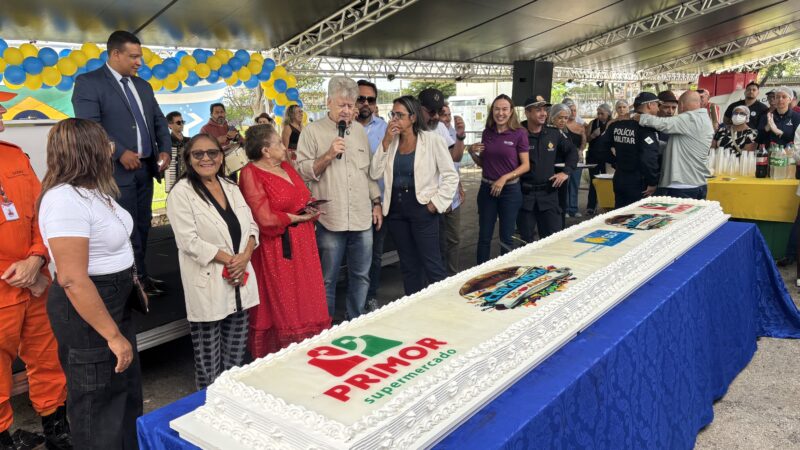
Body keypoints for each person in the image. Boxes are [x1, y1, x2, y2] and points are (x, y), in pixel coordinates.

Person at [38, 119, 142, 449]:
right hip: (90, 308)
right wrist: (112, 336)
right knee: (98, 406)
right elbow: (72, 279)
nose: (111, 149)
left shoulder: (91, 191)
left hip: (112, 301)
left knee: (123, 394)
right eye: (105, 143)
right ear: (88, 150)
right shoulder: (64, 200)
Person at [72, 30, 171, 296]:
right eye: (134, 56)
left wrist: (165, 150)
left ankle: (142, 277)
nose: (139, 62)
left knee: (143, 224)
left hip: (146, 169)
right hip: (115, 172)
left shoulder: (143, 86)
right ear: (115, 54)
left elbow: (159, 121)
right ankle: (130, 283)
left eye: (140, 56)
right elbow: (90, 127)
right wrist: (119, 152)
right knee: (124, 228)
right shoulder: (89, 83)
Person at [0, 92, 71, 450]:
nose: (2, 110)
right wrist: (21, 271)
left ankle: (57, 430)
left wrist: (36, 259)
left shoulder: (14, 156)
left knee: (48, 358)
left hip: (35, 281)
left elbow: (40, 213)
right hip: (6, 287)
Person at [166, 134, 259, 388]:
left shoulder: (231, 187)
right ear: (188, 159)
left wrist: (246, 255)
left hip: (239, 279)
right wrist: (232, 261)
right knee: (209, 365)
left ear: (221, 156)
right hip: (209, 283)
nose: (206, 158)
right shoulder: (181, 193)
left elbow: (251, 225)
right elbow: (188, 241)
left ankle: (231, 401)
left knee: (235, 360)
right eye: (198, 154)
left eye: (212, 153)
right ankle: (208, 404)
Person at [238, 125, 330, 356]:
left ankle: (311, 348)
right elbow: (263, 218)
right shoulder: (250, 173)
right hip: (278, 246)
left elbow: (303, 196)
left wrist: (311, 208)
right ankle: (286, 353)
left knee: (307, 296)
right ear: (266, 150)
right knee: (286, 300)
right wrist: (295, 218)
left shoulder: (286, 166)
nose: (284, 146)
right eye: (279, 142)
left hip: (304, 241)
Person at [296, 76, 382, 320]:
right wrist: (328, 155)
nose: (346, 110)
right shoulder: (312, 132)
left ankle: (356, 320)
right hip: (330, 220)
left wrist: (376, 202)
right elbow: (302, 171)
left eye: (350, 105)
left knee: (361, 276)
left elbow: (366, 172)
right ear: (328, 102)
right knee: (327, 278)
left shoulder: (360, 132)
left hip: (361, 217)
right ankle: (326, 327)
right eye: (341, 105)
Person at [370, 96, 457, 295]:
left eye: (399, 115)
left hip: (423, 209)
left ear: (413, 117)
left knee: (432, 265)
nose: (394, 119)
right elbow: (374, 173)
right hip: (396, 211)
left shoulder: (432, 140)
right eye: (392, 114)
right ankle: (415, 307)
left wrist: (435, 204)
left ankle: (444, 307)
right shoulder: (391, 142)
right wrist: (385, 142)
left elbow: (451, 176)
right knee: (408, 267)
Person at [468, 94, 530, 264]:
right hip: (487, 189)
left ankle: (506, 272)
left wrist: (504, 178)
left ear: (511, 112)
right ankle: (480, 272)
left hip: (509, 191)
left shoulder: (519, 133)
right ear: (492, 111)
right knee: (484, 236)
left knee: (506, 237)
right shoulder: (487, 132)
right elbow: (484, 163)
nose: (500, 113)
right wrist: (471, 152)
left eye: (504, 109)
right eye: (497, 109)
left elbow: (525, 165)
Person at [517, 95, 577, 242]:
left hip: (548, 195)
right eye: (538, 110)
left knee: (552, 241)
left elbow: (572, 152)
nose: (543, 113)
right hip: (525, 196)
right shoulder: (517, 133)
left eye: (545, 110)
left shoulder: (553, 133)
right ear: (527, 112)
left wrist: (566, 172)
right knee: (526, 242)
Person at [418, 90, 466, 273]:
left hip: (442, 199)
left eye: (439, 112)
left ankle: (449, 278)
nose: (436, 117)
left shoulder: (439, 127)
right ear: (419, 108)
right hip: (422, 200)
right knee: (427, 248)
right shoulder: (410, 129)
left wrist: (460, 137)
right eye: (431, 112)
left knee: (448, 242)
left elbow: (455, 158)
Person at [634, 91, 712, 199]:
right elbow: (677, 146)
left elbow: (663, 124)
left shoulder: (690, 118)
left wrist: (639, 117)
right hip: (698, 184)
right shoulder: (703, 118)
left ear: (681, 105)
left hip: (682, 187)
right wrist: (654, 144)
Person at [356, 80, 388, 310]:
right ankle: (355, 301)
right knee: (355, 256)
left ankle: (370, 296)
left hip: (378, 203)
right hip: (352, 203)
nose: (366, 103)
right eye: (361, 98)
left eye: (371, 99)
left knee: (375, 254)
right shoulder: (342, 128)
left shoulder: (385, 129)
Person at [599, 92, 660, 208]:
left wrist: (615, 162)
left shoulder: (617, 125)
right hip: (639, 181)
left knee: (620, 214)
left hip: (620, 177)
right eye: (657, 105)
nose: (658, 109)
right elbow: (648, 158)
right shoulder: (645, 127)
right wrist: (652, 182)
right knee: (637, 216)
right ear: (649, 105)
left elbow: (601, 147)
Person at [438, 103, 466, 275]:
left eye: (449, 114)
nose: (447, 118)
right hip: (438, 197)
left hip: (453, 198)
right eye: (443, 114)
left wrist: (459, 186)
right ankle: (439, 277)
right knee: (439, 241)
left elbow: (455, 164)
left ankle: (452, 274)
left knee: (454, 239)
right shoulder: (433, 132)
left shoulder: (454, 133)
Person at [585, 103, 612, 215]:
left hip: (608, 157)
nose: (600, 116)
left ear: (608, 113)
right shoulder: (593, 122)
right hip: (593, 156)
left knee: (609, 181)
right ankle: (591, 206)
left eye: (602, 113)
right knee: (594, 181)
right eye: (598, 113)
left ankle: (608, 205)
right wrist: (593, 135)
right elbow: (586, 139)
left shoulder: (612, 123)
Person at [561, 99, 587, 218]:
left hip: (577, 159)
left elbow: (584, 142)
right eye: (571, 110)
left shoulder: (580, 126)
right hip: (565, 159)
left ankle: (573, 208)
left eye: (575, 110)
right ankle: (565, 208)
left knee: (575, 184)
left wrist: (580, 151)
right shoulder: (562, 126)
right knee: (565, 185)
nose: (573, 112)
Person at [166, 111, 190, 180]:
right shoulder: (166, 142)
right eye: (178, 122)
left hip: (190, 178)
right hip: (173, 178)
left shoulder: (189, 141)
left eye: (183, 122)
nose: (182, 124)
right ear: (169, 125)